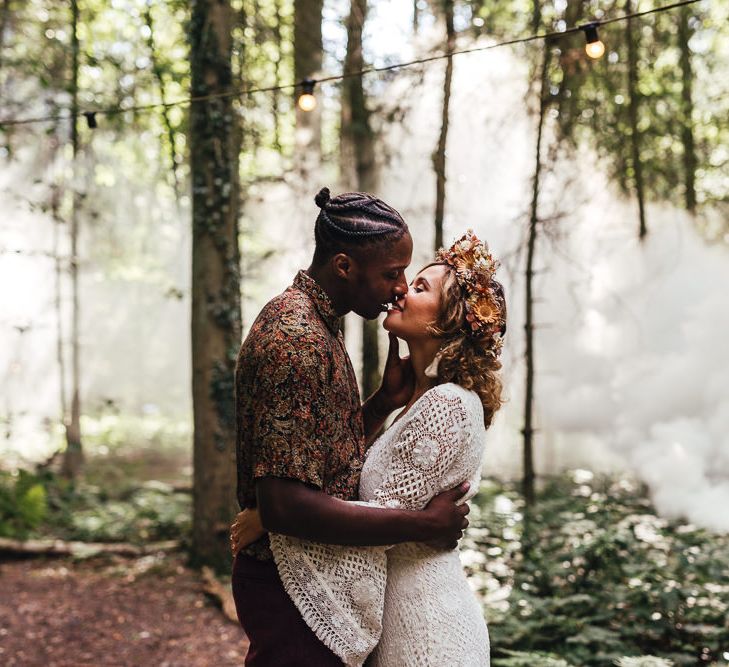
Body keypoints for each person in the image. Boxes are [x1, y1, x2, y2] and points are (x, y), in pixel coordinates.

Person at [232, 229, 507, 666]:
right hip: (397, 616)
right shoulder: (419, 401)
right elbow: (352, 478)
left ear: (446, 320)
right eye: (401, 278)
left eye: (419, 287)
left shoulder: (449, 404)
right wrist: (383, 403)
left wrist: (273, 514)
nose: (400, 291)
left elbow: (378, 515)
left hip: (426, 632)